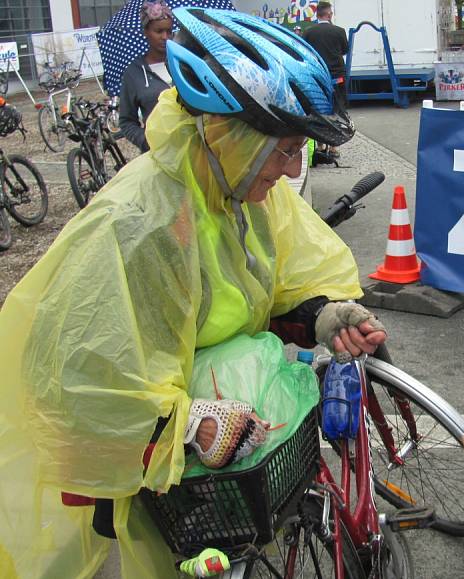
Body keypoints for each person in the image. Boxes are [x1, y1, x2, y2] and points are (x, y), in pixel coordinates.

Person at [0, 8, 387, 578]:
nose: (288, 169)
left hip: (226, 462)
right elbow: (70, 374)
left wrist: (324, 314)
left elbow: (282, 278)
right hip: (161, 483)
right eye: (281, 149)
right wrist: (182, 425)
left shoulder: (238, 188)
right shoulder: (136, 223)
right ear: (225, 133)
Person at [119, 0, 173, 153]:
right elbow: (126, 121)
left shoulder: (183, 64)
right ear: (146, 32)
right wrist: (145, 140)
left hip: (193, 152)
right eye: (159, 31)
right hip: (158, 154)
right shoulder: (134, 73)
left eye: (169, 31)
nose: (165, 37)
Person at [303, 1, 349, 157]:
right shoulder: (339, 31)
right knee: (337, 108)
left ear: (317, 14)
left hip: (317, 76)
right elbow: (344, 50)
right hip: (336, 75)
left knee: (318, 108)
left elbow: (305, 52)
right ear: (329, 14)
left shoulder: (309, 32)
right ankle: (334, 145)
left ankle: (321, 144)